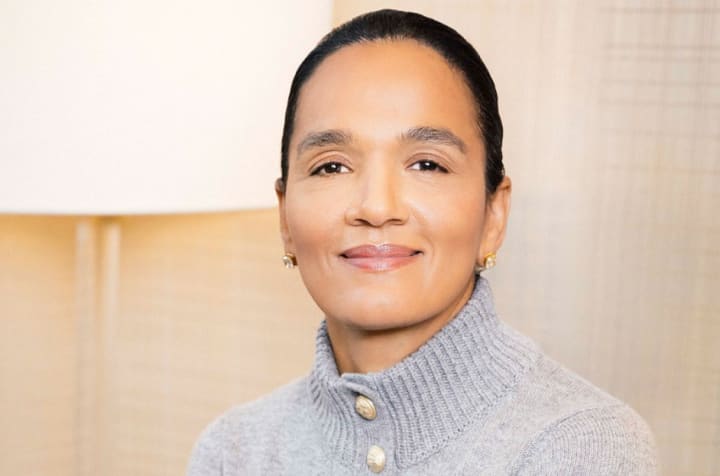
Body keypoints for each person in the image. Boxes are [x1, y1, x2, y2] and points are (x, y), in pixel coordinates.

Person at [188, 9, 657, 475]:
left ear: (494, 214)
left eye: (427, 164)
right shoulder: (233, 452)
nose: (376, 207)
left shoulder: (581, 445)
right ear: (285, 217)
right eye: (331, 166)